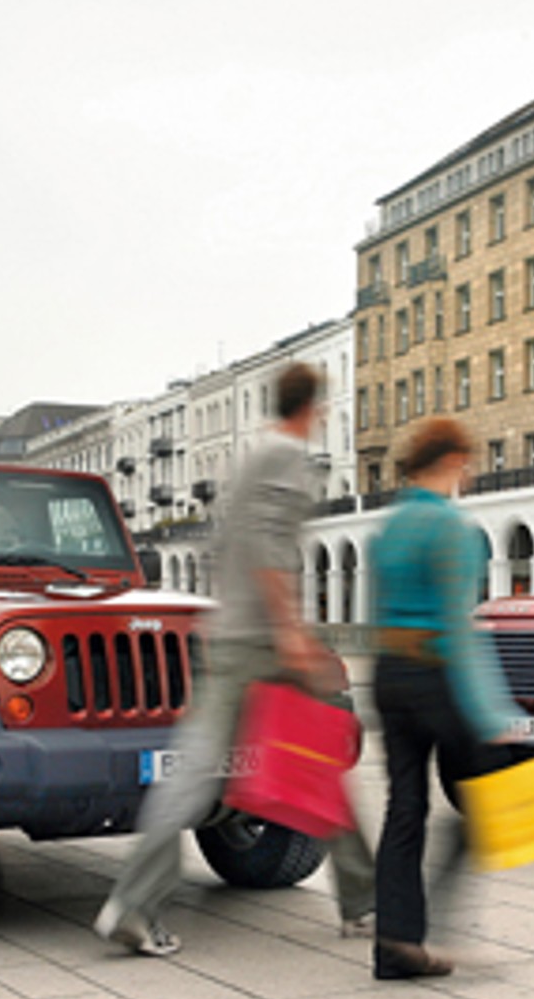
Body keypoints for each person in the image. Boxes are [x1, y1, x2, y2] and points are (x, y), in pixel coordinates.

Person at [94, 362, 375, 956]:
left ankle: (133, 905)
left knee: (194, 771)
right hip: (265, 643)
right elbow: (270, 552)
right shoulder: (285, 458)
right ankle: (363, 905)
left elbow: (232, 546)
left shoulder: (251, 460)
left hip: (230, 634)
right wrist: (295, 638)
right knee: (321, 760)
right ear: (312, 408)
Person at [367, 417, 528, 982]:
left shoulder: (388, 528)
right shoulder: (451, 529)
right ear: (453, 461)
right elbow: (459, 630)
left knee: (405, 808)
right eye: (467, 461)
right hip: (436, 674)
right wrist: (495, 716)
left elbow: (378, 612)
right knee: (490, 796)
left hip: (390, 674)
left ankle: (396, 943)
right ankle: (441, 926)